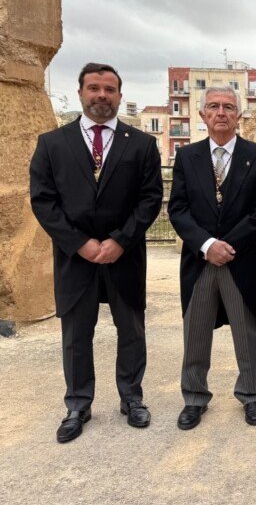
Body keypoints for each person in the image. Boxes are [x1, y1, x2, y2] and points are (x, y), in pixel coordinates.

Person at [29, 62, 163, 443]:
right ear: (81, 93)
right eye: (94, 88)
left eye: (109, 89)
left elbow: (150, 198)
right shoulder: (52, 144)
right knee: (76, 334)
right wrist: (79, 243)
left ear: (119, 96)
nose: (101, 95)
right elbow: (44, 201)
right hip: (75, 259)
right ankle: (77, 404)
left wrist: (120, 240)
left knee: (132, 331)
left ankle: (132, 398)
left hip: (125, 256)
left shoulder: (142, 145)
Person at [167, 86, 256, 430]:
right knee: (196, 333)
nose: (221, 112)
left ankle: (252, 394)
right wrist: (206, 245)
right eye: (213, 106)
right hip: (199, 261)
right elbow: (178, 209)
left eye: (228, 107)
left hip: (240, 260)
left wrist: (227, 245)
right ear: (202, 114)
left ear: (239, 115)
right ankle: (194, 397)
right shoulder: (188, 157)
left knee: (247, 333)